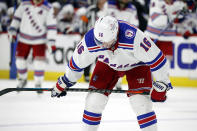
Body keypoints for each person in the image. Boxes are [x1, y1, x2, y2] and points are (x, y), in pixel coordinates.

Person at [51, 16, 173, 131]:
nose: (102, 45)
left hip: (137, 64)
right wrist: (64, 82)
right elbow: (76, 64)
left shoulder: (134, 37)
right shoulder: (90, 40)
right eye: (99, 42)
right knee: (93, 102)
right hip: (107, 63)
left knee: (141, 104)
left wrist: (162, 84)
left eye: (106, 43)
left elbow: (158, 59)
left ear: (116, 36)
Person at [8, 0, 57, 94]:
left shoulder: (48, 7)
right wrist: (12, 30)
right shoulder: (24, 4)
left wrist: (52, 41)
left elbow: (51, 26)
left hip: (40, 40)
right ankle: (22, 80)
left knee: (39, 63)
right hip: (23, 38)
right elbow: (16, 18)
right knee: (19, 61)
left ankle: (38, 83)